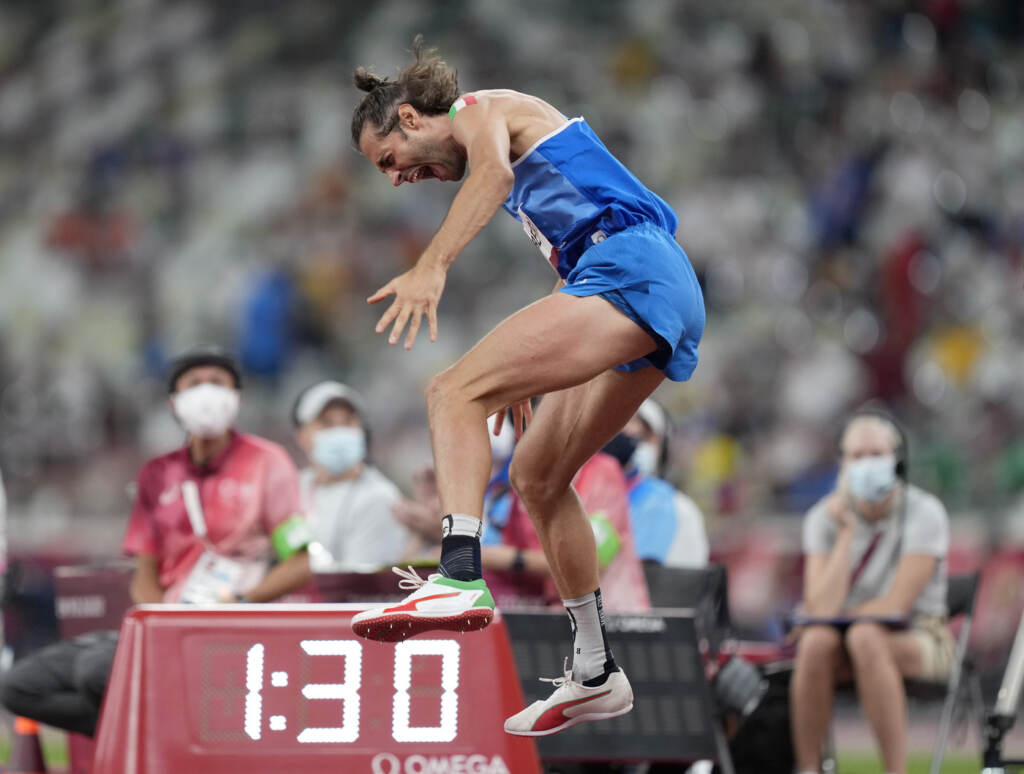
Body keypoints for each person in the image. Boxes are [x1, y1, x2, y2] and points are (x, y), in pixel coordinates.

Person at [347, 37, 705, 737]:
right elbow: (575, 251)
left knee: (451, 393)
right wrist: (531, 364)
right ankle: (597, 669)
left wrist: (432, 266)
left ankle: (456, 574)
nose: (395, 180)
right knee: (539, 476)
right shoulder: (523, 145)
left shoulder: (480, 111)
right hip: (638, 281)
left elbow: (494, 182)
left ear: (413, 120)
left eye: (388, 161)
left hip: (631, 269)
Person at [0, 347, 312, 737]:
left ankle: (156, 737)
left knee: (96, 672)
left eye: (217, 383)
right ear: (174, 402)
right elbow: (143, 574)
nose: (207, 393)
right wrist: (161, 618)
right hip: (170, 626)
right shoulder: (157, 475)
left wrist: (243, 603)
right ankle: (155, 735)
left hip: (236, 629)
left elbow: (300, 562)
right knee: (21, 686)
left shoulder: (269, 464)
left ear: (237, 398)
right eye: (194, 384)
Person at [789, 410, 954, 774]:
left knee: (865, 637)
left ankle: (896, 770)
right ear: (842, 463)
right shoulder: (822, 518)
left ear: (898, 460)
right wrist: (846, 534)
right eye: (857, 455)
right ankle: (807, 768)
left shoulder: (925, 512)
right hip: (842, 639)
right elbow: (820, 606)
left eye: (876, 454)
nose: (867, 463)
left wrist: (833, 618)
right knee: (816, 642)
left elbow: (897, 605)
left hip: (920, 636)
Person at [292, 380, 410, 571]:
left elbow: (359, 586)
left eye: (348, 421)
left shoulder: (379, 498)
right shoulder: (295, 487)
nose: (339, 431)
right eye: (326, 423)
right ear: (301, 436)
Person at [618, 398, 709, 569]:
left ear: (663, 449)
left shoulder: (680, 510)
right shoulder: (584, 494)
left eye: (642, 438)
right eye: (624, 438)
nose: (633, 448)